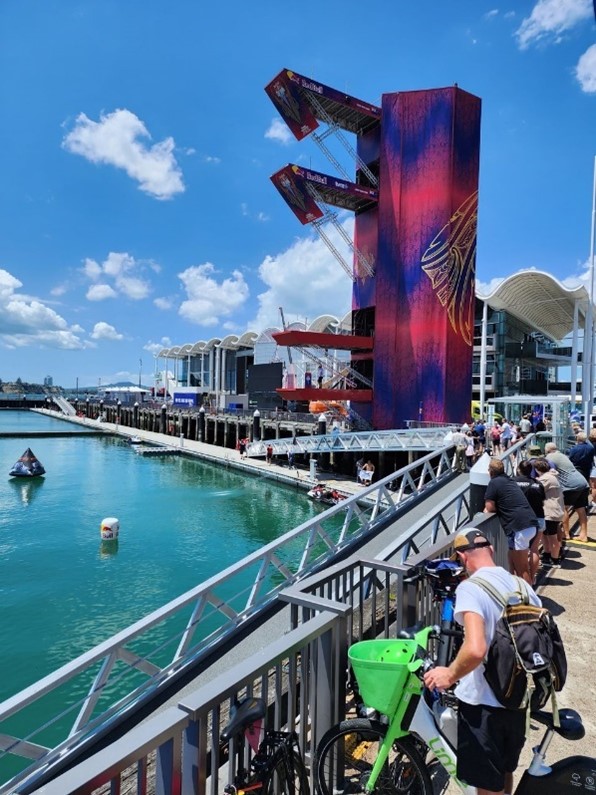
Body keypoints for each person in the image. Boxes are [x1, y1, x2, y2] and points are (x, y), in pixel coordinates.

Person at [424, 528, 540, 795]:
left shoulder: (470, 588)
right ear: (490, 550)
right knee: (504, 773)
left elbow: (476, 648)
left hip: (484, 703)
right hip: (516, 699)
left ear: (463, 559)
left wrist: (449, 674)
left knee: (487, 786)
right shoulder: (522, 586)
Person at [483, 458, 538, 583]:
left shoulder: (494, 482)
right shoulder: (509, 480)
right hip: (529, 524)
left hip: (519, 528)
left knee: (522, 568)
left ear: (491, 472)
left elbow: (489, 507)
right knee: (513, 563)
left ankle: (528, 599)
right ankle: (517, 593)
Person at [545, 441, 590, 543]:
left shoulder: (549, 457)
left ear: (547, 450)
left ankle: (566, 534)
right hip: (582, 482)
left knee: (563, 507)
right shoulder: (562, 455)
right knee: (581, 509)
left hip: (570, 486)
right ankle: (584, 535)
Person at [513, 460, 545, 583]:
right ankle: (532, 577)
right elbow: (542, 500)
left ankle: (524, 580)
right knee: (534, 549)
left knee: (521, 551)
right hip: (539, 518)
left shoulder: (514, 483)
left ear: (519, 470)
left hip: (522, 520)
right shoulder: (537, 484)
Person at [533, 457, 564, 566]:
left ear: (537, 469)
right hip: (552, 511)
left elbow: (535, 489)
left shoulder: (545, 479)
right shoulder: (552, 476)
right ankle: (547, 554)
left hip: (550, 512)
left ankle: (554, 559)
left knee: (552, 537)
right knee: (545, 535)